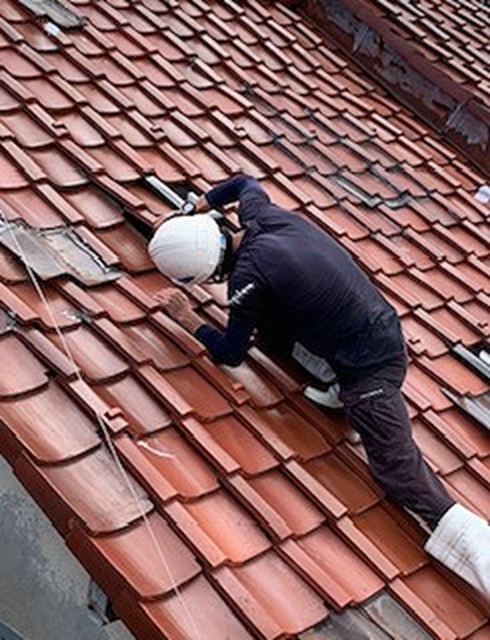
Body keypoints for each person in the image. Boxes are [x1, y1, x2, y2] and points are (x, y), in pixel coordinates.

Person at [149, 174, 490, 601]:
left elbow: (231, 352)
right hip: (376, 329)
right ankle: (331, 379)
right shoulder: (263, 217)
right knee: (270, 326)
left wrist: (187, 319)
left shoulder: (246, 280)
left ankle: (478, 551)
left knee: (397, 472)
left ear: (208, 273)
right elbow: (243, 183)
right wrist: (194, 207)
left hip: (371, 369)